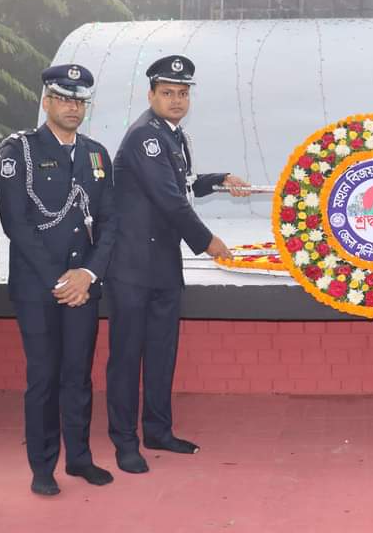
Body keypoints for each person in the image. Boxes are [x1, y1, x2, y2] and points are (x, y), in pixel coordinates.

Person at [106, 54, 249, 475]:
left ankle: (157, 430)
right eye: (167, 93)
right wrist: (208, 243)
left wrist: (218, 180)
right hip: (131, 268)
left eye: (183, 93)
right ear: (150, 95)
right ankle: (124, 442)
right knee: (127, 356)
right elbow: (168, 200)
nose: (176, 100)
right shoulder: (144, 138)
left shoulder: (173, 136)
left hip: (164, 265)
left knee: (162, 353)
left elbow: (182, 185)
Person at [0, 64, 118, 496]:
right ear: (46, 101)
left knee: (78, 376)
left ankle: (79, 458)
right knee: (44, 377)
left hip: (83, 286)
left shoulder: (97, 154)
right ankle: (42, 466)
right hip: (39, 288)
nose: (73, 107)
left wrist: (86, 274)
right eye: (64, 99)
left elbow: (108, 221)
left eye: (80, 100)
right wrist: (59, 280)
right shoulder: (19, 150)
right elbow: (17, 224)